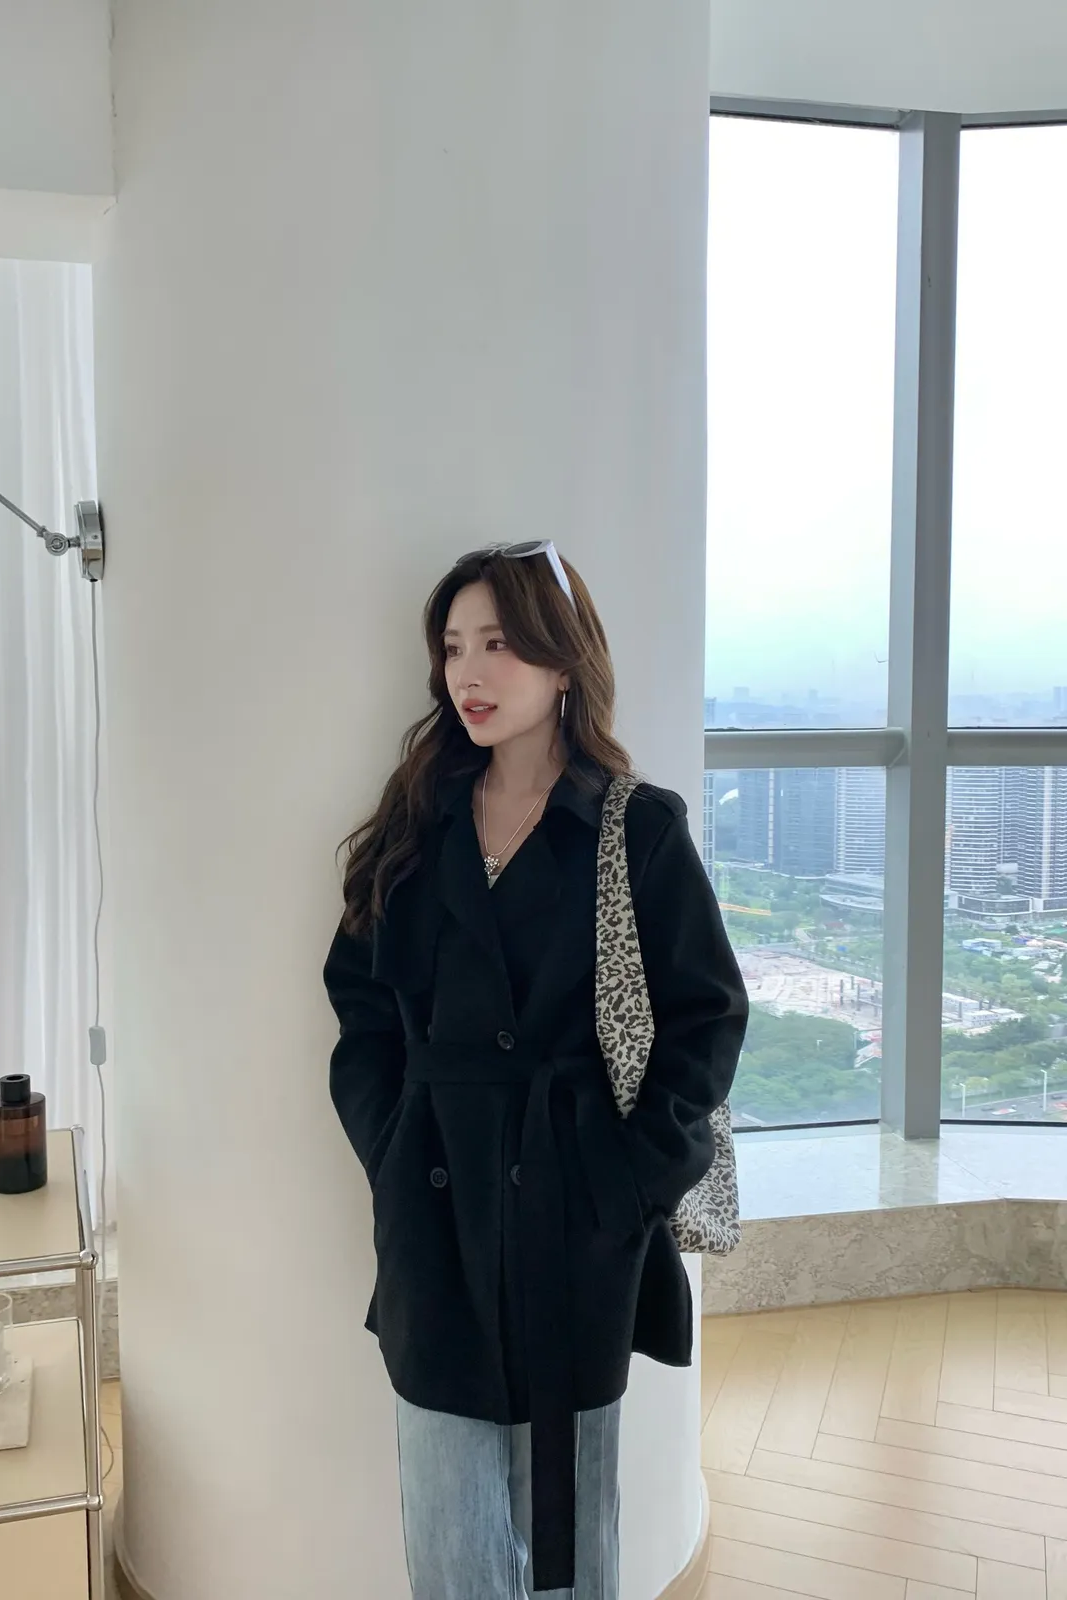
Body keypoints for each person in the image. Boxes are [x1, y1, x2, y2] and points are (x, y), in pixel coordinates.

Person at [323, 543, 749, 1599]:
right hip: (436, 1216)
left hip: (575, 1212)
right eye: (453, 648)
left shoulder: (635, 828)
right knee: (451, 1540)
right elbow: (361, 1007)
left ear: (562, 664)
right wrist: (392, 1143)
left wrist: (626, 1185)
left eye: (499, 645)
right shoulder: (417, 824)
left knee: (571, 1542)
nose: (468, 673)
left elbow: (706, 1021)